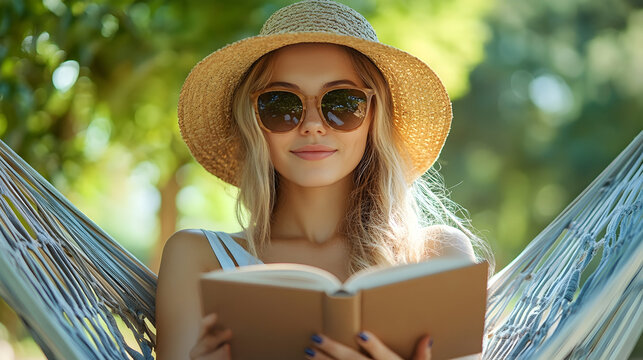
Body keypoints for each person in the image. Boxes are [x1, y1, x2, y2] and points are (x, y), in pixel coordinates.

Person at [155, 0, 495, 359]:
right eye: (281, 104)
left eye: (343, 102)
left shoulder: (436, 258)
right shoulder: (198, 259)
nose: (312, 123)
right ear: (253, 121)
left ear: (374, 118)